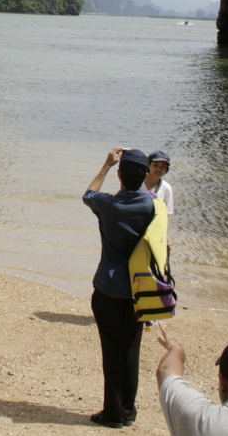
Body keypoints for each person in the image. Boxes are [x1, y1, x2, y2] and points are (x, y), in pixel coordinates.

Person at [83, 147, 157, 428]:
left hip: (109, 288)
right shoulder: (153, 207)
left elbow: (88, 194)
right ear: (145, 175)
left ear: (120, 175)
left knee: (112, 351)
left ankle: (113, 413)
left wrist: (106, 164)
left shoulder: (108, 204)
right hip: (141, 290)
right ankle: (127, 410)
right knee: (131, 351)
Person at [145, 150, 174, 214]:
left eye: (163, 166)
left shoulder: (166, 188)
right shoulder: (137, 182)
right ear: (148, 165)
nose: (159, 169)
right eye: (155, 165)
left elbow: (166, 214)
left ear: (166, 170)